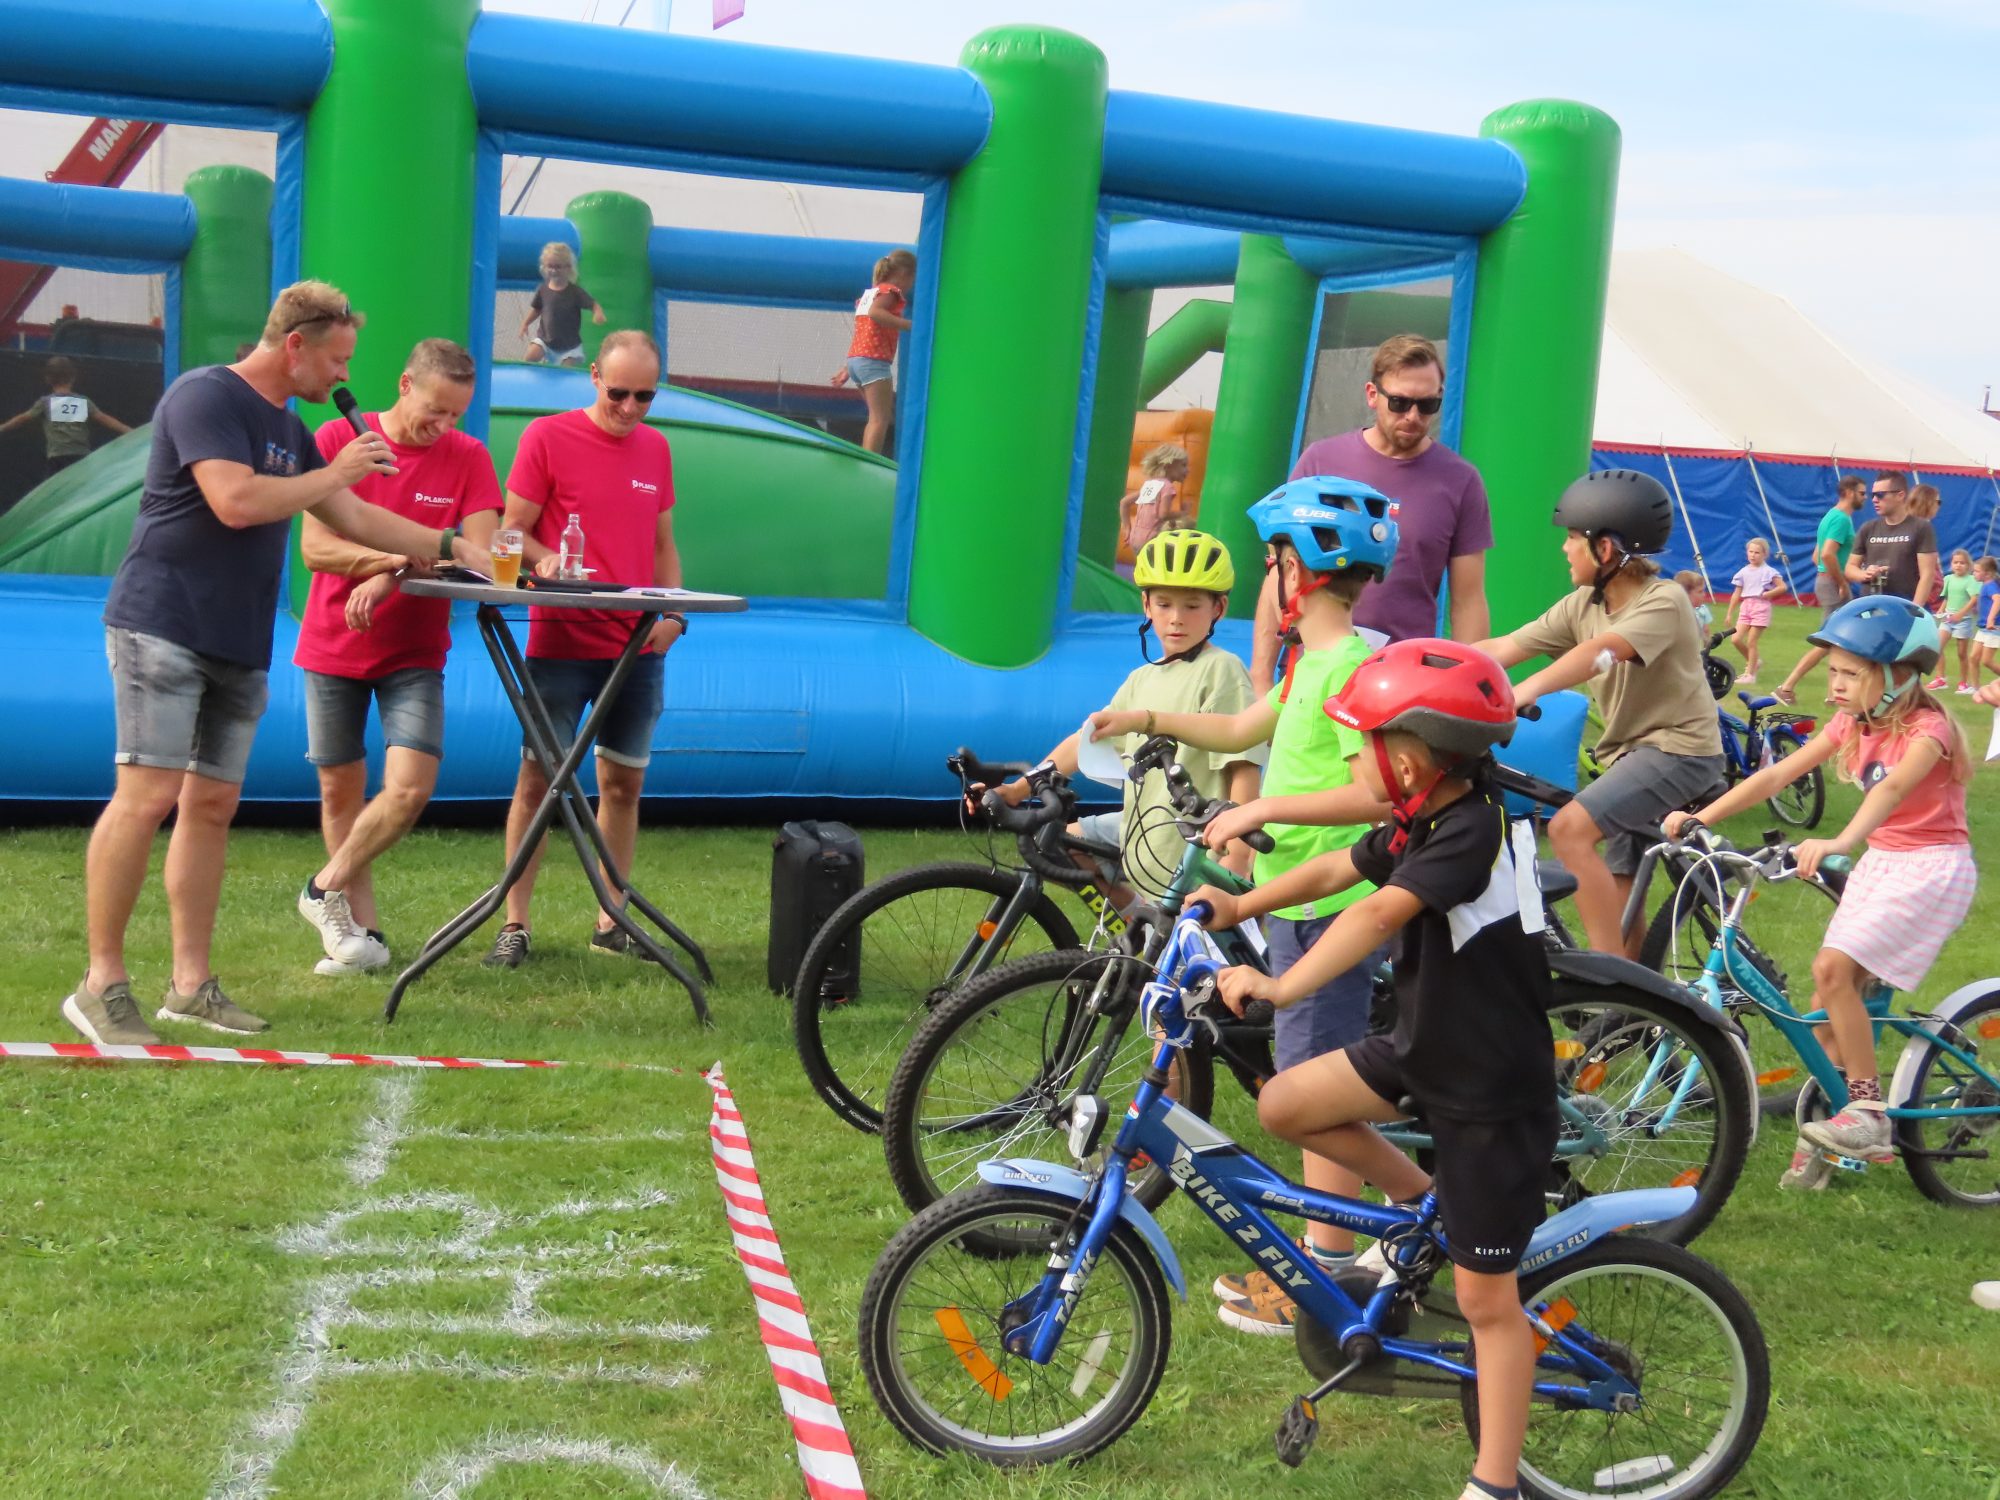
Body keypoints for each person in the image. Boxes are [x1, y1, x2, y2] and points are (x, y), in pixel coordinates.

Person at [64, 281, 494, 1046]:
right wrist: (339, 471)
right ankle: (101, 985)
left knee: (210, 808)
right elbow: (235, 502)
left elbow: (354, 518)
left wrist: (450, 543)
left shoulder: (291, 430)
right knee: (148, 796)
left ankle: (190, 986)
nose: (345, 376)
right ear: (295, 345)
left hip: (237, 638)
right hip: (162, 623)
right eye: (337, 360)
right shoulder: (207, 397)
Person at [1198, 639, 1555, 1500]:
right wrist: (1241, 904)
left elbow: (1374, 915)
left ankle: (1495, 1485)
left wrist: (1280, 985)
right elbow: (1337, 869)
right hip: (1425, 1049)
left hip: (1486, 1088)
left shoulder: (1470, 829)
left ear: (1413, 757)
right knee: (1287, 1103)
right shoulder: (1425, 814)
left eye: (1361, 744)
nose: (1353, 762)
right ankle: (1420, 1210)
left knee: (1487, 1306)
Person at [1090, 479, 1398, 1333]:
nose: (1269, 578)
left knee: (1312, 1090)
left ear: (1297, 571)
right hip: (1294, 896)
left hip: (1330, 903)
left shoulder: (1348, 668)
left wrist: (1261, 810)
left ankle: (1325, 1271)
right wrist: (1144, 714)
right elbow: (1240, 730)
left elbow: (1374, 795)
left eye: (1272, 562)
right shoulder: (1310, 662)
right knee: (1311, 1074)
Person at [1664, 598, 1973, 1186]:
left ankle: (1868, 1113)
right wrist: (1700, 814)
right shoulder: (1853, 724)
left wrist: (1841, 840)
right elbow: (1777, 773)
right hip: (1884, 863)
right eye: (1833, 671)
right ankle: (1829, 1139)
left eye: (1851, 673)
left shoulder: (1929, 731)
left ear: (1900, 676)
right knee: (1832, 1008)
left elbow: (1893, 790)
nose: (1835, 684)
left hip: (1931, 867)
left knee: (1832, 972)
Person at [292, 338, 502, 976]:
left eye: (456, 414)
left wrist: (390, 576)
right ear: (405, 384)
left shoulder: (469, 457)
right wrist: (388, 560)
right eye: (436, 410)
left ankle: (321, 888)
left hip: (415, 650)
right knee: (339, 790)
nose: (444, 425)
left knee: (409, 788)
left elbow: (479, 557)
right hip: (333, 640)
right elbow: (315, 549)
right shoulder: (338, 438)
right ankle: (360, 935)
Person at [485, 330, 685, 969]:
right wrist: (550, 562)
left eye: (645, 397)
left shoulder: (655, 448)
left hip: (636, 647)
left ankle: (612, 921)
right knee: (538, 781)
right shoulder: (547, 437)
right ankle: (514, 923)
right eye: (619, 392)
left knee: (622, 784)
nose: (630, 408)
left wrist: (673, 615)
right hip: (562, 642)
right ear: (593, 375)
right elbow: (510, 533)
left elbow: (663, 545)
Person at [1476, 469, 1723, 956]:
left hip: (1680, 751)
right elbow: (1504, 647)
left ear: (1604, 548)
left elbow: (1603, 651)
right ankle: (1634, 990)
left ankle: (1608, 977)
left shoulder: (1665, 600)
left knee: (1568, 829)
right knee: (1621, 885)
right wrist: (1421, 661)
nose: (1564, 548)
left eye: (1572, 537)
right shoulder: (1583, 604)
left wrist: (1525, 691)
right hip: (1629, 757)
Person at [984, 529, 1263, 903]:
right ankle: (1132, 919)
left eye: (1192, 606)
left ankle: (1141, 926)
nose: (1176, 619)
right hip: (1142, 831)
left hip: (1196, 850)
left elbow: (1242, 765)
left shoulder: (1222, 670)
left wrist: (1238, 857)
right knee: (1056, 843)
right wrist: (1018, 790)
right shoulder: (1141, 679)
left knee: (1178, 941)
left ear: (1219, 609)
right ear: (1146, 605)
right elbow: (1088, 740)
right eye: (1164, 604)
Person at [1250, 334, 1490, 690]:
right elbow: (1279, 574)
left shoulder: (1460, 481)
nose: (1413, 416)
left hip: (1402, 681)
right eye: (1399, 402)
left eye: (1427, 405)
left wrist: (1470, 684)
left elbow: (1468, 601)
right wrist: (1260, 677)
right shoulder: (1321, 462)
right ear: (1372, 394)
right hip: (1310, 672)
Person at [1772, 475, 1867, 705]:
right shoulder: (1841, 519)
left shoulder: (1830, 516)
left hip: (1825, 580)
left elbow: (1817, 556)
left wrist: (1828, 573)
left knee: (1835, 640)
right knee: (1828, 640)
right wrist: (1841, 581)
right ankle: (1786, 687)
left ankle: (1832, 695)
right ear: (1848, 492)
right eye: (1862, 493)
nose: (1866, 498)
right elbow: (1826, 554)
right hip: (1833, 584)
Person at [830, 248, 915, 456]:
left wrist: (848, 367)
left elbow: (864, 329)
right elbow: (876, 313)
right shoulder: (890, 291)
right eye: (913, 280)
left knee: (875, 417)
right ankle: (870, 460)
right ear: (904, 274)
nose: (911, 286)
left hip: (857, 359)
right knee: (880, 418)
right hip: (873, 361)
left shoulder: (870, 294)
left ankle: (867, 456)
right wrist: (909, 325)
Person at [0, 355, 131, 479]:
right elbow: (104, 419)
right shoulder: (82, 401)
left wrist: (3, 427)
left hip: (58, 456)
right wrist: (129, 431)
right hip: (81, 456)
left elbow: (23, 418)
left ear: (48, 379)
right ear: (73, 378)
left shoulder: (46, 402)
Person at [518, 242, 604, 367]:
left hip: (569, 348)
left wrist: (598, 313)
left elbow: (593, 304)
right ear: (544, 267)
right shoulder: (543, 289)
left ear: (568, 268)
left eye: (558, 267)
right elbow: (536, 309)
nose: (553, 270)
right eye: (550, 266)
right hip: (545, 341)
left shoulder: (575, 292)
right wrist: (525, 323)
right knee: (531, 355)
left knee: (565, 370)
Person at [1116, 443, 1190, 574]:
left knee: (1143, 570)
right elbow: (1163, 515)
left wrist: (1127, 528)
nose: (1187, 470)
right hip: (1151, 538)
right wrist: (1182, 513)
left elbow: (1124, 502)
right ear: (1168, 465)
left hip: (1135, 537)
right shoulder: (1167, 487)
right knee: (1157, 571)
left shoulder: (1150, 484)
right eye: (1183, 465)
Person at [1724, 537, 1783, 684]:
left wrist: (1769, 594)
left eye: (1757, 552)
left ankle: (1750, 675)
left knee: (1751, 641)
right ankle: (1754, 662)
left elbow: (1782, 587)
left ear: (1765, 554)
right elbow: (1736, 593)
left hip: (1761, 607)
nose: (1753, 555)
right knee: (1736, 639)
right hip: (1746, 606)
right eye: (1750, 552)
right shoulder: (1743, 572)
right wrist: (1729, 613)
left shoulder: (1768, 572)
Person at [1940, 549, 1982, 693]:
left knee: (1962, 653)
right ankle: (1940, 679)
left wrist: (1960, 614)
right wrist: (1941, 610)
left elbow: (1974, 599)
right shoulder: (1948, 579)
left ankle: (1963, 682)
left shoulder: (1971, 580)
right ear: (1951, 564)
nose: (1958, 565)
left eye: (1962, 563)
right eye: (1955, 562)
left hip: (1963, 620)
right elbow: (1947, 597)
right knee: (1937, 646)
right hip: (1948, 618)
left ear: (1968, 565)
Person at [1972, 557, 2000, 691]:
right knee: (1973, 658)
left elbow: (1998, 600)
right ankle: (1975, 688)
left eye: (1977, 571)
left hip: (1992, 628)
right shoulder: (1985, 585)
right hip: (1983, 628)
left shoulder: (1991, 586)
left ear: (1987, 574)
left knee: (1987, 661)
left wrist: (1990, 619)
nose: (1974, 573)